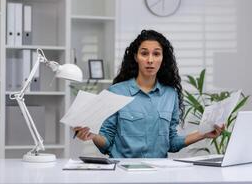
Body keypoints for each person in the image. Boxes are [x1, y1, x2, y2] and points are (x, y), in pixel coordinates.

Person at [74, 29, 224, 158]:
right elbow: (106, 143)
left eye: (156, 54)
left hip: (158, 173)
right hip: (122, 172)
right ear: (136, 57)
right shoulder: (116, 92)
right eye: (144, 54)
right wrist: (92, 135)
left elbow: (171, 143)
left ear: (163, 58)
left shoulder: (170, 95)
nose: (150, 60)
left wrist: (203, 133)